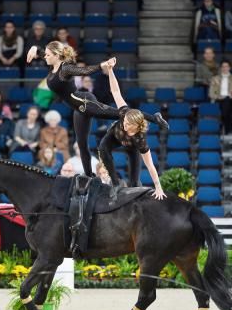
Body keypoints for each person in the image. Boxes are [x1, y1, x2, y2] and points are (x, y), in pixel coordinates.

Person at [27, 41, 168, 177]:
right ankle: (89, 176)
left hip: (85, 103)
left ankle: (154, 118)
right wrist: (35, 49)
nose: (44, 57)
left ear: (56, 56)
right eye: (44, 54)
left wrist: (103, 65)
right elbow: (43, 53)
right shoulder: (53, 65)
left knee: (122, 113)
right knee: (82, 145)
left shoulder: (65, 68)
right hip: (78, 109)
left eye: (47, 55)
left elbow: (84, 71)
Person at [98, 58, 166, 199]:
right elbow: (115, 91)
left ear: (137, 125)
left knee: (135, 181)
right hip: (115, 137)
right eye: (125, 122)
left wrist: (158, 187)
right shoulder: (124, 113)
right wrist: (110, 70)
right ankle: (115, 183)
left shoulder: (140, 139)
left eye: (129, 124)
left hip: (131, 146)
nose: (125, 124)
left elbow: (150, 166)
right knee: (103, 147)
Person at [209, 60, 232, 134]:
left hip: (229, 99)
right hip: (218, 99)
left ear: (229, 68)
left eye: (226, 66)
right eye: (223, 66)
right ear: (221, 68)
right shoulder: (215, 78)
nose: (225, 68)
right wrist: (218, 97)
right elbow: (211, 93)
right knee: (224, 109)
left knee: (227, 101)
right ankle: (226, 129)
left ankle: (222, 127)